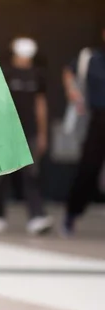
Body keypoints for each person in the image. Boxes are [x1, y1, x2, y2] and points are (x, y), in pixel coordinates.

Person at [0, 36, 53, 235]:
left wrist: (42, 134)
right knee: (2, 176)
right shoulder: (5, 73)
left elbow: (40, 105)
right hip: (6, 131)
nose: (26, 60)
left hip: (30, 132)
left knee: (31, 176)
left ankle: (36, 217)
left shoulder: (37, 75)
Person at [62, 25, 105, 236]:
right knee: (87, 171)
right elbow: (69, 72)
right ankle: (71, 215)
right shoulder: (92, 58)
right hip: (97, 119)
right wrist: (72, 92)